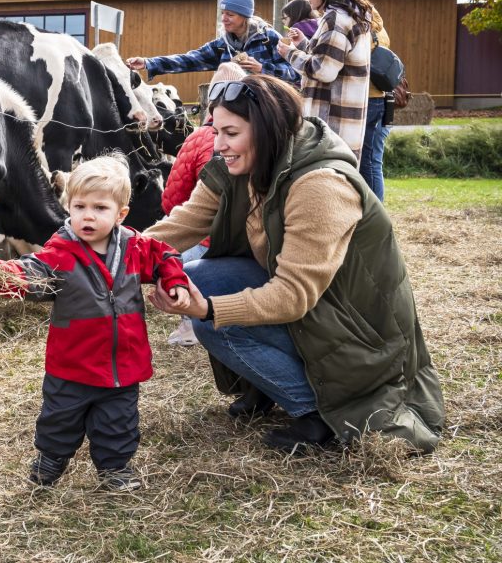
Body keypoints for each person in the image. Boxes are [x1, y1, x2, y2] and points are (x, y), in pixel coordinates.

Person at [143, 74, 444, 455]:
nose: (218, 146)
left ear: (267, 131)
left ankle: (320, 409)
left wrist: (209, 309)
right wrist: (104, 255)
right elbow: (180, 225)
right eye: (215, 130)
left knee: (209, 310)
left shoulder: (320, 185)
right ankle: (274, 386)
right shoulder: (248, 164)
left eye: (230, 133)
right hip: (318, 310)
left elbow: (294, 295)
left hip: (355, 328)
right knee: (202, 275)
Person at [0, 153, 190, 489]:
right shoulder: (60, 254)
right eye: (80, 206)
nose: (88, 216)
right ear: (68, 206)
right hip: (73, 365)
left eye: (100, 209)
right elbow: (29, 272)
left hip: (122, 364)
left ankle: (115, 468)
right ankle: (51, 459)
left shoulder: (133, 248)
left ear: (120, 213)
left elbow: (165, 256)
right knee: (60, 419)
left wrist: (175, 281)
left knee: (119, 422)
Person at [162, 62, 248, 347]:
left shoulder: (199, 137)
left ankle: (189, 326)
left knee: (181, 268)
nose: (223, 144)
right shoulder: (257, 137)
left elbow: (172, 198)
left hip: (206, 243)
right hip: (246, 247)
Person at [277, 0, 373, 159]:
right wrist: (303, 43)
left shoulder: (336, 19)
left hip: (331, 126)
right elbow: (333, 58)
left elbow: (324, 70)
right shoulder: (350, 15)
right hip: (345, 125)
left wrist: (290, 54)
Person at [126, 0, 300, 85]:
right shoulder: (222, 45)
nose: (224, 19)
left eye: (230, 14)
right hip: (235, 109)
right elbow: (189, 60)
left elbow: (297, 75)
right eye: (223, 13)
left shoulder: (270, 38)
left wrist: (262, 69)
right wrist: (148, 62)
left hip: (268, 110)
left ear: (245, 17)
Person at [361, 7, 393, 201]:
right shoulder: (379, 27)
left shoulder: (365, 29)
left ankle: (376, 216)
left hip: (370, 97)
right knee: (373, 161)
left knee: (369, 163)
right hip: (382, 98)